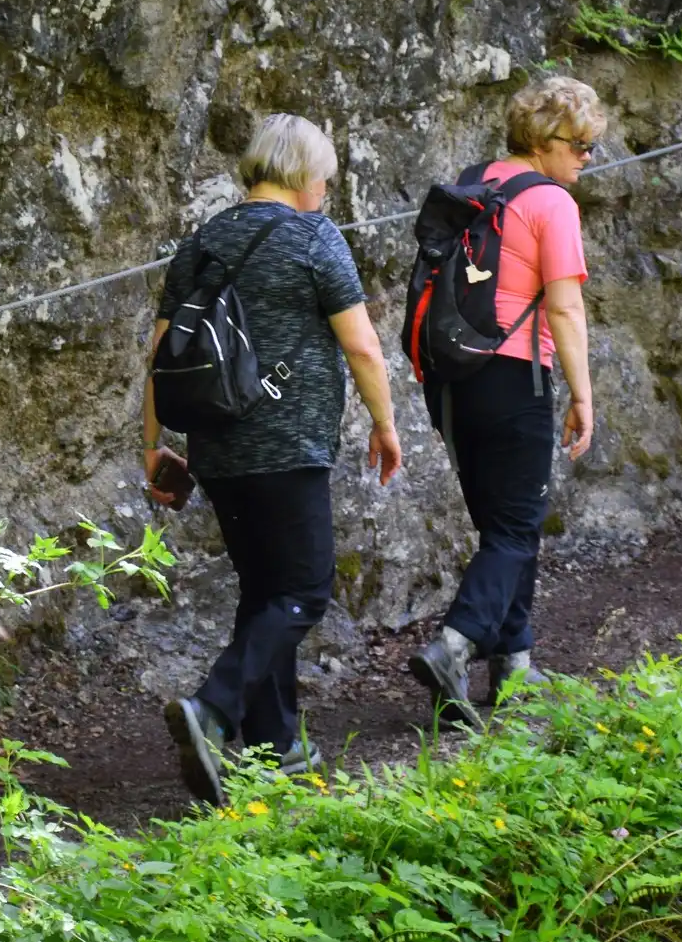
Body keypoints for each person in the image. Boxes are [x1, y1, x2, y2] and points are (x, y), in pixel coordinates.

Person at [146, 114, 403, 806]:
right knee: (305, 590)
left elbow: (162, 354)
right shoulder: (315, 237)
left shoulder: (201, 243)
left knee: (266, 593)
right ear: (304, 173)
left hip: (218, 449)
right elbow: (362, 345)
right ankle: (212, 708)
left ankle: (273, 747)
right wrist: (385, 424)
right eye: (326, 179)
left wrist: (154, 444)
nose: (326, 191)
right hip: (289, 446)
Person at [406, 78, 600, 729]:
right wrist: (582, 393)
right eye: (580, 145)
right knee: (517, 528)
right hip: (516, 376)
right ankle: (454, 645)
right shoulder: (550, 202)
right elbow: (565, 307)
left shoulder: (472, 183)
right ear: (544, 141)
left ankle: (515, 664)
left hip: (451, 380)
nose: (586, 158)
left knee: (505, 528)